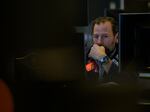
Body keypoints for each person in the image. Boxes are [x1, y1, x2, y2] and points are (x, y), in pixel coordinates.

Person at [85, 17, 119, 81]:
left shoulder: (125, 57)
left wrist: (102, 58)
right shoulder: (87, 54)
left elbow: (126, 81)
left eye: (105, 36)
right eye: (96, 36)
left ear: (116, 38)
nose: (99, 41)